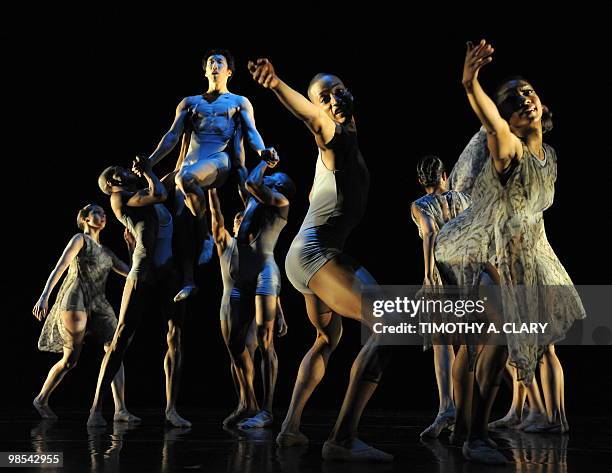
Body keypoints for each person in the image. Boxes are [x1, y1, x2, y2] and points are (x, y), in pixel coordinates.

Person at [434, 39, 585, 463]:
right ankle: (474, 436)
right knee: (496, 339)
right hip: (479, 251)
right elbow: (493, 124)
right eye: (511, 99)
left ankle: (466, 430)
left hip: (518, 257)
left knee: (487, 345)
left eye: (528, 92)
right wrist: (470, 85)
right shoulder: (509, 145)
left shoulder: (548, 155)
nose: (523, 99)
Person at [249, 58, 395, 462]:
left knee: (328, 339)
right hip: (315, 256)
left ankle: (290, 428)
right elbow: (312, 120)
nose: (332, 100)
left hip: (306, 256)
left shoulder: (349, 141)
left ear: (351, 93)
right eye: (323, 96)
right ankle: (342, 438)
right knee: (390, 323)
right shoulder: (336, 140)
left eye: (337, 89)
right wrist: (277, 84)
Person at [146, 49, 278, 302]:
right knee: (182, 220)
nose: (214, 65)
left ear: (229, 71)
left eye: (220, 62)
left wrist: (263, 152)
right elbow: (172, 136)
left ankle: (207, 235)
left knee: (184, 179)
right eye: (210, 62)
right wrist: (150, 163)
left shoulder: (239, 102)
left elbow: (252, 132)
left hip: (219, 160)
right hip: (191, 163)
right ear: (205, 71)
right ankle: (188, 281)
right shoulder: (190, 102)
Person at [89, 157, 191, 427]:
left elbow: (178, 171)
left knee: (175, 337)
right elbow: (160, 192)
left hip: (167, 274)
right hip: (143, 274)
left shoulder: (141, 192)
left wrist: (186, 138)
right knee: (121, 337)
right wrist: (147, 171)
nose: (125, 169)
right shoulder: (120, 199)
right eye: (118, 169)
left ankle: (171, 409)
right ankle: (96, 409)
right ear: (113, 183)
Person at [33, 204, 139, 423]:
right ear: (85, 219)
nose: (103, 216)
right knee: (70, 360)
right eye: (97, 213)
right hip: (75, 301)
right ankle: (41, 399)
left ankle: (120, 409)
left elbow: (131, 274)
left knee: (115, 350)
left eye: (104, 213)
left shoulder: (107, 252)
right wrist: (44, 296)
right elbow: (60, 266)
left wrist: (131, 247)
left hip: (99, 303)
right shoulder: (79, 240)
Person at [410, 155, 471, 438]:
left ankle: (447, 405)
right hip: (467, 272)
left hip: (442, 272)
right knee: (464, 344)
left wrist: (427, 273)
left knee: (441, 341)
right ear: (444, 175)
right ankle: (465, 411)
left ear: (422, 182)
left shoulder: (420, 205)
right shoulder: (464, 199)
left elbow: (430, 231)